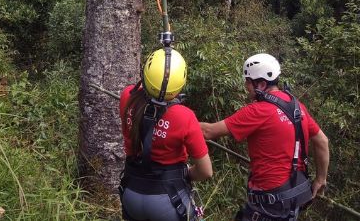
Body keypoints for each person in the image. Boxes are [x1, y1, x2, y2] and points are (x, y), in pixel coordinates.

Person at [199, 53, 330, 221]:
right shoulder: (296, 105)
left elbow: (208, 132)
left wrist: (178, 120)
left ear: (261, 84)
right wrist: (321, 178)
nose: (246, 85)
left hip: (268, 205)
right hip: (293, 198)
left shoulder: (258, 110)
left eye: (248, 81)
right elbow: (322, 141)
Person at [119, 48, 213, 221]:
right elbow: (206, 171)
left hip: (131, 192)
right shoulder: (184, 116)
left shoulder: (127, 97)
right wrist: (186, 174)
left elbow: (141, 90)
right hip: (168, 200)